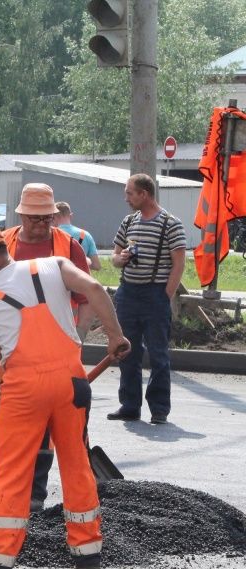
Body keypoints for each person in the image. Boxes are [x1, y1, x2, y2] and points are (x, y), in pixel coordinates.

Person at [0, 226, 129, 569]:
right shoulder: (54, 265)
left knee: (11, 470)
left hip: (24, 389)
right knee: (77, 464)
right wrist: (115, 336)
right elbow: (94, 289)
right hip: (71, 382)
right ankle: (88, 555)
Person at [0, 183, 93, 511]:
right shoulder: (2, 243)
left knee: (53, 423)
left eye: (45, 218)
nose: (40, 225)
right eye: (33, 218)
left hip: (58, 354)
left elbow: (88, 295)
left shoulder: (68, 246)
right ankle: (12, 486)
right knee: (12, 421)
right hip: (14, 354)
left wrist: (78, 333)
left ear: (53, 216)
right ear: (21, 215)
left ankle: (34, 491)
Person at [109, 173, 187, 425]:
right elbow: (115, 254)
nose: (126, 198)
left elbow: (179, 263)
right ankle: (130, 405)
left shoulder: (170, 223)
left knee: (158, 354)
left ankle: (159, 408)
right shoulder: (129, 221)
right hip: (128, 292)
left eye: (130, 193)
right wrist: (119, 259)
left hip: (155, 295)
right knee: (126, 351)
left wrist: (165, 294)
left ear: (144, 194)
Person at [54, 202, 101, 271]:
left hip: (58, 278)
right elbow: (96, 265)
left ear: (54, 216)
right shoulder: (85, 234)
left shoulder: (51, 234)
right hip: (80, 279)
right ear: (71, 216)